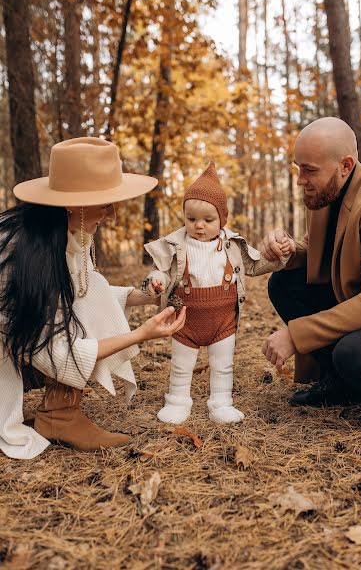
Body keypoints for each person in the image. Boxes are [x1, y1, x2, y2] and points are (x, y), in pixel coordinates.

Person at [0, 137, 186, 460]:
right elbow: (55, 351)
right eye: (105, 203)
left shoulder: (62, 233)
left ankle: (59, 413)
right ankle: (62, 417)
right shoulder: (22, 257)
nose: (112, 214)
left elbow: (85, 294)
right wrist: (141, 335)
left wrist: (144, 297)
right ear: (75, 203)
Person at [262, 117, 361, 440]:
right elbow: (320, 252)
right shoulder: (325, 192)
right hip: (359, 302)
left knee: (356, 355)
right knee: (283, 282)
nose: (300, 180)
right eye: (298, 168)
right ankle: (339, 379)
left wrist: (297, 336)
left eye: (309, 170)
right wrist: (289, 251)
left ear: (345, 165)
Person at [143, 162, 294, 424]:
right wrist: (155, 279)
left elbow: (255, 264)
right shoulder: (176, 246)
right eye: (191, 219)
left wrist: (279, 257)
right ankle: (178, 401)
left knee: (223, 365)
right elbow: (163, 272)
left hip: (222, 320)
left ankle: (221, 402)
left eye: (208, 220)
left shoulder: (233, 246)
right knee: (181, 365)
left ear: (222, 219)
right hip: (185, 319)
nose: (199, 226)